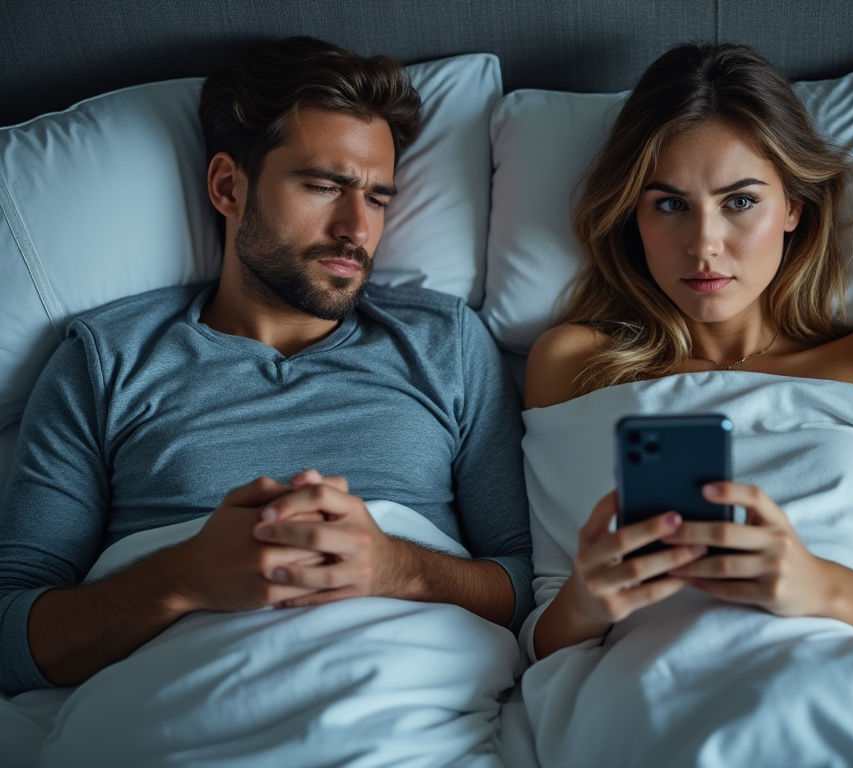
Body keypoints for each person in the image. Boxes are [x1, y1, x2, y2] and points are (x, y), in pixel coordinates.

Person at [518, 42, 853, 766]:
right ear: (633, 215)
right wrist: (586, 604)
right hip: (657, 691)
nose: (705, 246)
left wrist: (817, 586)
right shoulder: (572, 366)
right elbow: (538, 634)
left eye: (740, 201)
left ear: (795, 205)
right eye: (669, 205)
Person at [0, 36, 532, 700]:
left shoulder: (445, 342)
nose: (355, 228)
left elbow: (527, 587)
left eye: (377, 198)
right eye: (323, 186)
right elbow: (11, 637)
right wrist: (185, 576)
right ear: (228, 185)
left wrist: (399, 568)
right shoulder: (107, 357)